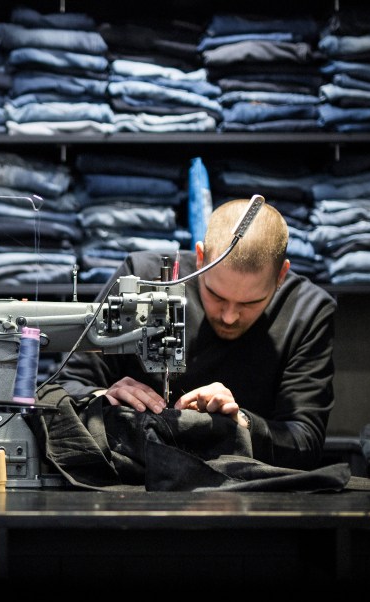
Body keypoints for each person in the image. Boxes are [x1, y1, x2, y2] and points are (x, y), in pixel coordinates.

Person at [54, 197, 336, 470]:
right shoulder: (142, 278)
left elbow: (304, 442)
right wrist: (105, 396)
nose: (229, 316)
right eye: (216, 295)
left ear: (281, 275)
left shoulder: (307, 310)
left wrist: (241, 422)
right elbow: (67, 386)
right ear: (201, 258)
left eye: (250, 303)